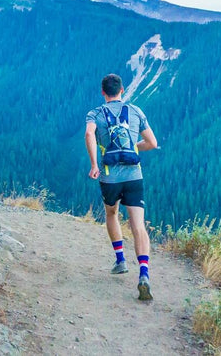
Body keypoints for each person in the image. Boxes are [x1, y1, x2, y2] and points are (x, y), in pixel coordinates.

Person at [85, 73, 159, 301]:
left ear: (102, 92)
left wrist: (95, 164)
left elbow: (89, 133)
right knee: (138, 225)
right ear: (122, 90)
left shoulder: (95, 113)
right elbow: (152, 143)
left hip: (109, 178)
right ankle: (144, 274)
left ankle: (120, 260)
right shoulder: (136, 111)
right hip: (134, 176)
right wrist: (133, 148)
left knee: (112, 213)